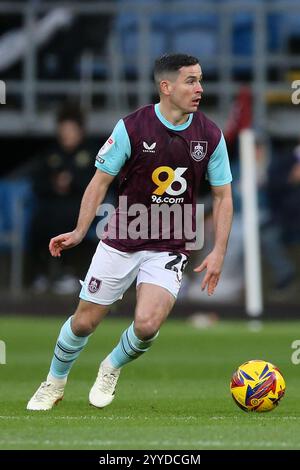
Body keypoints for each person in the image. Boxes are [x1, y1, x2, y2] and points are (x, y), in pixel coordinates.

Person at [27, 53, 233, 411]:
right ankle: (54, 382)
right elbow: (99, 182)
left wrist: (217, 252)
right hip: (123, 237)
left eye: (201, 80)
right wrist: (79, 231)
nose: (200, 88)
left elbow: (223, 196)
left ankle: (111, 367)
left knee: (148, 323)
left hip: (171, 243)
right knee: (84, 323)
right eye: (191, 81)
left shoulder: (210, 135)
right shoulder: (132, 128)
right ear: (166, 87)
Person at [29, 102, 97, 294]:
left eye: (71, 130)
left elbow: (96, 185)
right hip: (50, 206)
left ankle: (67, 272)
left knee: (69, 220)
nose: (67, 134)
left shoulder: (91, 152)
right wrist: (54, 184)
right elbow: (37, 183)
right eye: (64, 130)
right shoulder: (51, 153)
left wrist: (72, 181)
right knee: (38, 221)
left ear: (80, 131)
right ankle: (41, 272)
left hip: (79, 207)